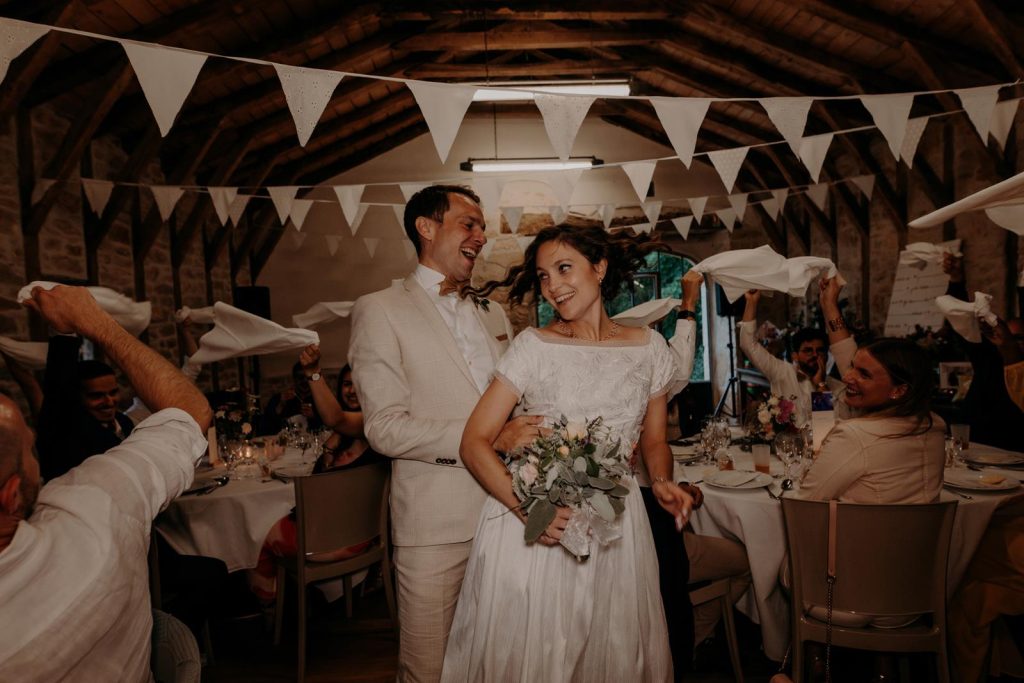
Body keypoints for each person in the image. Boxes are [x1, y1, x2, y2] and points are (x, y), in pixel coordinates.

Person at [441, 224, 693, 681]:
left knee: (612, 647)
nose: (553, 286)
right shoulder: (532, 347)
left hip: (618, 524)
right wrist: (529, 509)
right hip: (539, 523)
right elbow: (474, 442)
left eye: (563, 269)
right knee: (540, 653)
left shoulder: (651, 349)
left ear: (599, 268)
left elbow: (655, 441)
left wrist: (661, 483)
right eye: (542, 276)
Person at [348, 184, 542, 682]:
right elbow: (385, 429)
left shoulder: (492, 313)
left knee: (500, 663)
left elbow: (515, 403)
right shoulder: (379, 309)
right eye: (469, 223)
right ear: (426, 227)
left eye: (482, 226)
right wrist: (488, 438)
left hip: (508, 516)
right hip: (435, 528)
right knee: (428, 670)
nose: (481, 235)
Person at [0, 285, 212, 681]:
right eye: (30, 450)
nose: (109, 401)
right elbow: (189, 410)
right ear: (12, 495)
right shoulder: (93, 510)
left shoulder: (126, 423)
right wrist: (92, 323)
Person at [248, 351, 385, 604]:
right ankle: (297, 600)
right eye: (346, 384)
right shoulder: (344, 437)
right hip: (345, 531)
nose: (352, 391)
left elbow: (335, 419)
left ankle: (269, 610)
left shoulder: (374, 428)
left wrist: (313, 371)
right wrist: (331, 449)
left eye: (358, 384)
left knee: (258, 537)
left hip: (341, 537)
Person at [797, 337, 945, 503]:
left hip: (860, 529)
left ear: (898, 390)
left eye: (864, 374)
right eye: (852, 366)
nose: (846, 377)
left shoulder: (854, 435)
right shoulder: (936, 425)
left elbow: (805, 501)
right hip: (924, 528)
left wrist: (821, 388)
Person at [739, 283, 857, 427]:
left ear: (827, 355)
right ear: (794, 356)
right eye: (808, 351)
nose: (815, 355)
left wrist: (821, 385)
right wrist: (751, 302)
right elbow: (748, 344)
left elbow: (829, 427)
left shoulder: (839, 388)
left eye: (820, 351)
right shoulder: (781, 372)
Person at [939, 254, 1024, 450]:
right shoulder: (990, 358)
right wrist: (956, 280)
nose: (1010, 342)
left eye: (1018, 339)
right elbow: (961, 324)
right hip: (976, 442)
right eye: (1009, 336)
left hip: (1014, 450)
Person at [35, 332, 138, 481]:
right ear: (77, 397)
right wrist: (65, 332)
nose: (109, 402)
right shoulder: (66, 430)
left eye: (113, 392)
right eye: (97, 396)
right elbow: (57, 385)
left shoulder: (125, 422)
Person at [261, 361, 324, 434]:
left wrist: (313, 417)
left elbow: (326, 429)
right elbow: (265, 428)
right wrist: (280, 406)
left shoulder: (319, 400)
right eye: (300, 377)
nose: (304, 381)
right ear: (294, 379)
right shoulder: (279, 399)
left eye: (307, 377)